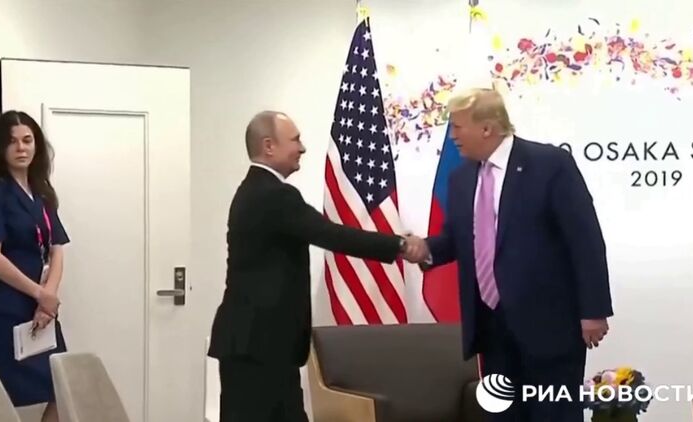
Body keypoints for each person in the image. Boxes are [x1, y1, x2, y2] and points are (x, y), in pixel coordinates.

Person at [403, 88, 613, 421]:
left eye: (458, 126)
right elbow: (458, 239)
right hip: (492, 329)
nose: (453, 135)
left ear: (487, 128)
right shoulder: (461, 179)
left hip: (550, 326)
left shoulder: (549, 164)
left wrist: (594, 310)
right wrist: (425, 250)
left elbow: (584, 239)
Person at [207, 110, 413, 422]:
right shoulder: (275, 195)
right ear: (269, 146)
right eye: (295, 140)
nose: (302, 148)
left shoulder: (255, 189)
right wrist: (399, 245)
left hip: (256, 343)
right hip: (261, 345)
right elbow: (329, 234)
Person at [0, 111, 70, 422]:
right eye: (12, 142)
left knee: (62, 389)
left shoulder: (41, 192)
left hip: (42, 309)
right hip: (6, 307)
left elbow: (57, 248)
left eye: (27, 140)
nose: (21, 148)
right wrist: (40, 294)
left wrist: (48, 299)